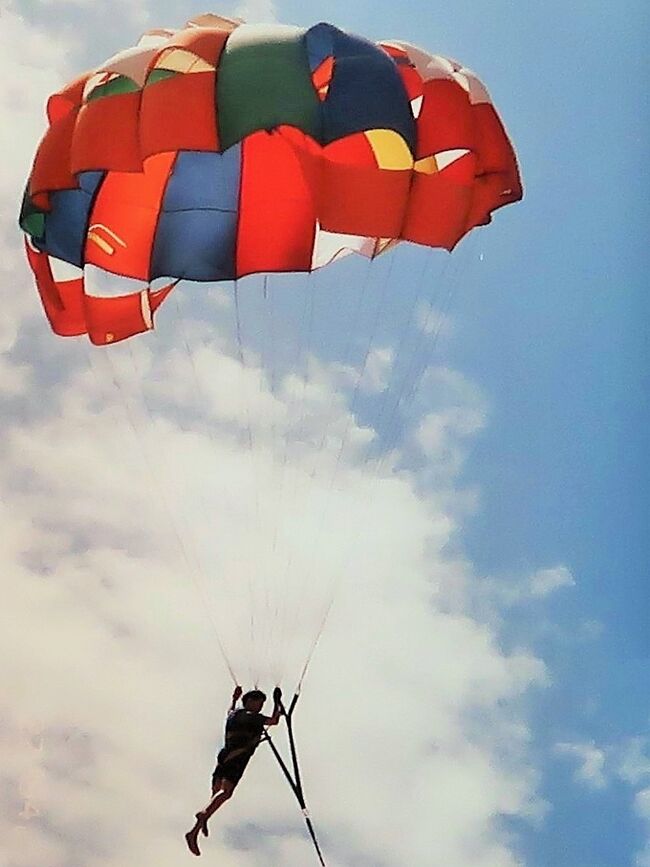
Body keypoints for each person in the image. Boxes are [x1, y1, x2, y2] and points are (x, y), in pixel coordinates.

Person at [185, 685, 282, 856]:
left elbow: (229, 709)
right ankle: (203, 815)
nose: (260, 707)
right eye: (258, 703)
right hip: (237, 757)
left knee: (216, 791)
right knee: (226, 792)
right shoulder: (253, 717)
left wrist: (234, 698)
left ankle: (200, 823)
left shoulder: (234, 713)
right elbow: (274, 721)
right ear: (249, 702)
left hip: (224, 755)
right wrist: (277, 702)